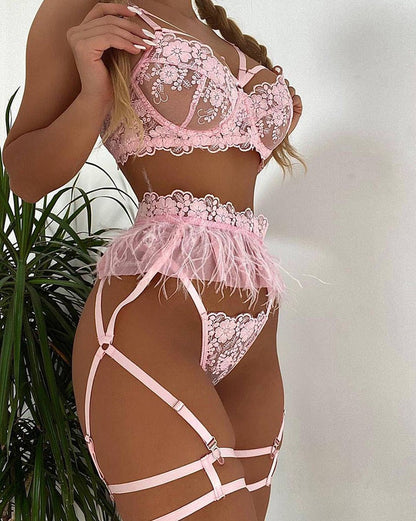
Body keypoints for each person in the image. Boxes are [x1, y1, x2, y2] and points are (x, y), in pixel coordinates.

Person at [4, 1, 304, 519]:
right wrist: (94, 95)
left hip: (254, 338)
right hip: (149, 325)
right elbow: (26, 177)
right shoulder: (85, 9)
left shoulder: (209, 25)